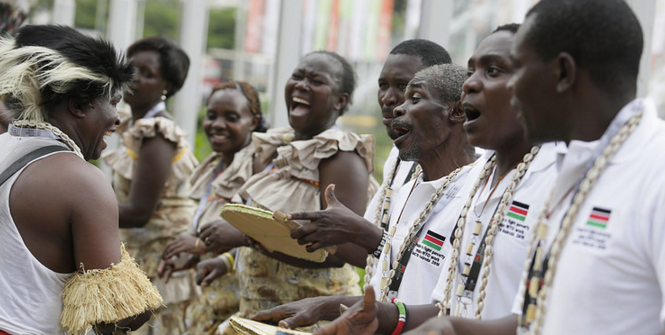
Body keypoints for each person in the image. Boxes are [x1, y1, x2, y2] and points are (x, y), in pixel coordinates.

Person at [308, 23, 561, 335]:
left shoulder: (558, 183)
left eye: (493, 71)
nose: (471, 84)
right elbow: (447, 304)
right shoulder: (473, 182)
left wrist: (364, 236)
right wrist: (383, 317)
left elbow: (553, 317)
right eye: (471, 72)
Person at [253, 62, 480, 328]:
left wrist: (358, 231)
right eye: (383, 86)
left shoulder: (475, 196)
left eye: (414, 98)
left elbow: (459, 310)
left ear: (455, 111)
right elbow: (389, 289)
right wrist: (319, 306)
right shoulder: (407, 189)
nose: (396, 107)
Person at [0, 24, 161, 335]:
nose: (118, 117)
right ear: (78, 105)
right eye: (113, 101)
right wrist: (140, 301)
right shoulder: (83, 182)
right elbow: (114, 318)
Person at [195, 51, 375, 322]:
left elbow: (343, 251)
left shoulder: (341, 155)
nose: (302, 85)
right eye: (297, 76)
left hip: (309, 320)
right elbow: (268, 226)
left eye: (316, 81)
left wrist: (246, 237)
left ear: (341, 100)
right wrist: (227, 260)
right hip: (260, 313)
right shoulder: (276, 147)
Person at [101, 36, 198, 335]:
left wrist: (81, 209)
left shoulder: (158, 133)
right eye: (132, 69)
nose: (135, 79)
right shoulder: (136, 124)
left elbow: (140, 211)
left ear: (165, 86)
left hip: (161, 260)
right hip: (144, 254)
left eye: (148, 74)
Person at [157, 80, 269, 334]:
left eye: (231, 117)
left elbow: (264, 236)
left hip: (243, 300)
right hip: (213, 298)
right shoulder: (215, 167)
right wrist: (193, 256)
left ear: (253, 121)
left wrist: (200, 245)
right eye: (211, 116)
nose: (217, 125)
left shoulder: (258, 165)